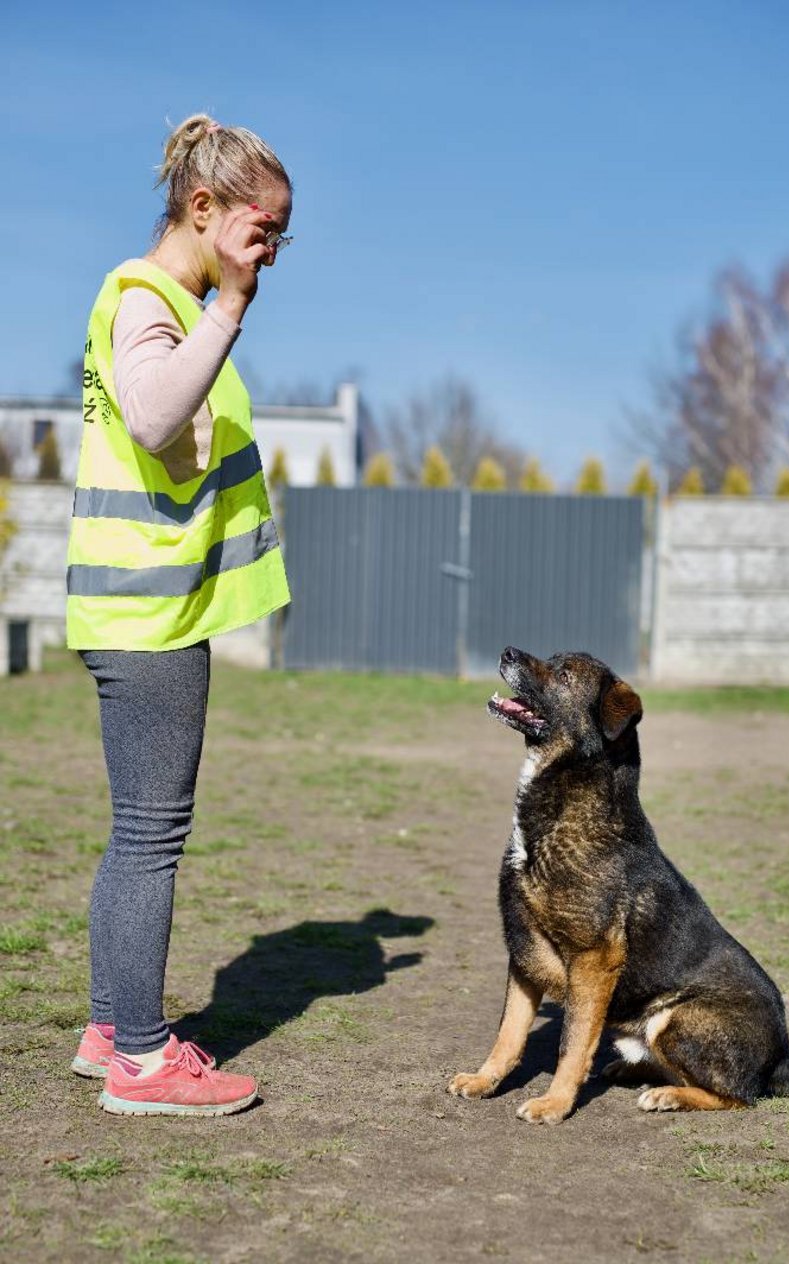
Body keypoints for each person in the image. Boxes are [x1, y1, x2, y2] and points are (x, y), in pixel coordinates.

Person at [66, 114, 293, 1116]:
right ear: (201, 209)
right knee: (151, 838)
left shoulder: (149, 297)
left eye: (281, 235)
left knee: (133, 837)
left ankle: (111, 1030)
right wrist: (231, 306)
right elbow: (157, 417)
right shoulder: (152, 299)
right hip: (150, 620)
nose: (268, 250)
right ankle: (145, 1063)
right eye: (258, 228)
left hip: (139, 612)